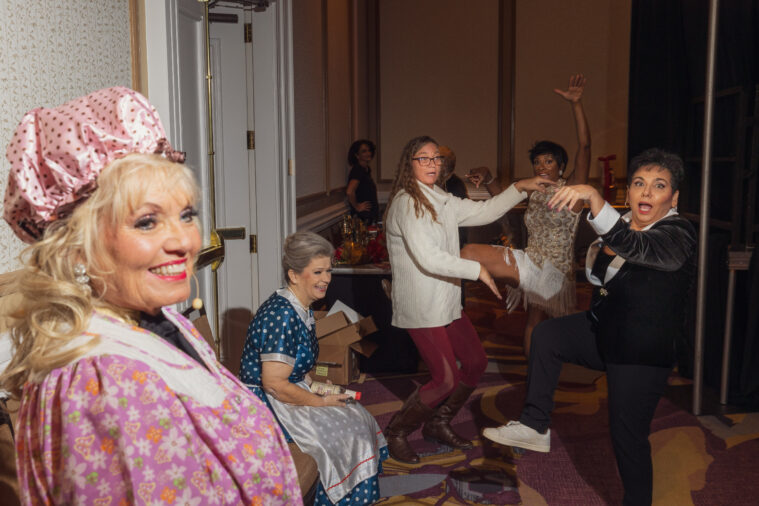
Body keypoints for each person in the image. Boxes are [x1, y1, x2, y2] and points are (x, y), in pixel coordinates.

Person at [0, 87, 301, 504]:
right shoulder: (104, 381)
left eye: (186, 214)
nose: (184, 241)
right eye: (146, 222)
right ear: (78, 246)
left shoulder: (159, 320)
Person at [483, 149, 696, 506]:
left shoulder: (677, 233)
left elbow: (638, 248)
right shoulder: (624, 223)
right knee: (548, 335)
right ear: (628, 192)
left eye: (658, 186)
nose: (646, 192)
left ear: (673, 198)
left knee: (627, 439)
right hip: (605, 332)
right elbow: (599, 275)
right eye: (639, 184)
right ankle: (535, 425)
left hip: (640, 353)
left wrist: (596, 200)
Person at [382, 135, 554, 464]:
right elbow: (428, 257)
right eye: (423, 158)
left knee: (474, 363)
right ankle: (397, 432)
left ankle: (437, 422)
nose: (432, 164)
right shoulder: (407, 202)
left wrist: (520, 186)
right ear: (410, 164)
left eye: (436, 158)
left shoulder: (440, 197)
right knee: (444, 378)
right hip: (422, 304)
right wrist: (478, 269)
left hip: (445, 300)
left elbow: (486, 211)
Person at [239, 231, 387, 506]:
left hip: (286, 390)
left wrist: (319, 388)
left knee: (355, 415)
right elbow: (273, 384)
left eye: (328, 270)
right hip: (267, 405)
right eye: (317, 272)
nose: (327, 278)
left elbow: (295, 370)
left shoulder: (300, 306)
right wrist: (319, 402)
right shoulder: (281, 315)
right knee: (348, 433)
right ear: (294, 275)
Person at [463, 74, 591, 355]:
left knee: (558, 327)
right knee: (534, 321)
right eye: (537, 161)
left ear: (561, 166)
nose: (541, 166)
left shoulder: (572, 190)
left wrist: (577, 105)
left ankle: (562, 367)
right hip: (532, 264)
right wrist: (486, 177)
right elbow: (501, 198)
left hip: (555, 272)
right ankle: (537, 375)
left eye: (548, 161)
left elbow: (584, 147)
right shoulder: (533, 191)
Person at [346, 139, 380, 224]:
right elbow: (349, 191)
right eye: (364, 151)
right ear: (357, 155)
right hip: (363, 217)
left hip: (369, 216)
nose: (368, 153)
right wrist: (357, 207)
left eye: (369, 150)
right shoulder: (358, 170)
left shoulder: (366, 170)